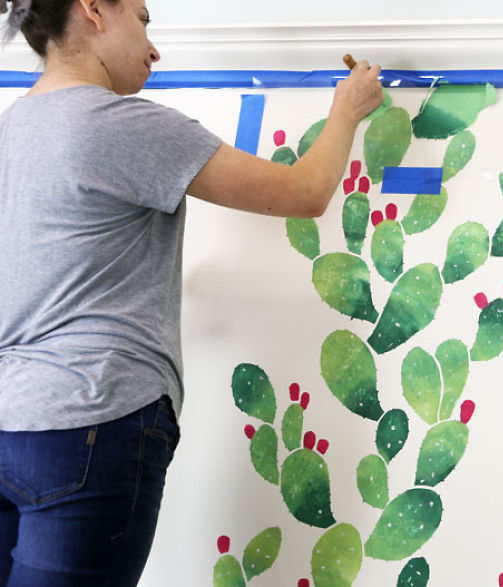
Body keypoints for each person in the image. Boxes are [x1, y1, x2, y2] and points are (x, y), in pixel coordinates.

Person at [0, 0, 384, 584]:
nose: (153, 47)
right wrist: (347, 111)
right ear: (95, 11)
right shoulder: (124, 124)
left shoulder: (8, 130)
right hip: (91, 419)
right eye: (143, 19)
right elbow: (305, 192)